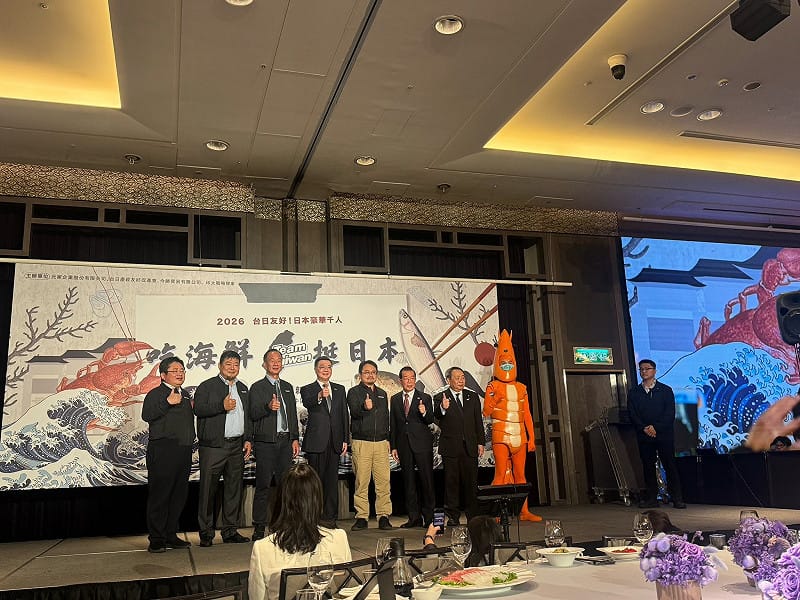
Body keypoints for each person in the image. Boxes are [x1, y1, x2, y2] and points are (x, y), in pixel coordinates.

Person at [248, 463, 352, 600]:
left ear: (281, 500)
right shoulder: (338, 538)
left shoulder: (263, 549)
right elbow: (347, 593)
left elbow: (256, 596)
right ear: (317, 499)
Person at [193, 350, 253, 546]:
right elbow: (198, 409)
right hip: (214, 447)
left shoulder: (243, 388)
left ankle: (230, 531)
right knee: (208, 490)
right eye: (228, 364)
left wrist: (247, 439)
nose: (232, 368)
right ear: (220, 366)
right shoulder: (207, 386)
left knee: (233, 489)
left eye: (236, 364)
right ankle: (206, 533)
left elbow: (247, 417)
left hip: (237, 446)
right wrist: (221, 405)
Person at [141, 356, 194, 553]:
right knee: (160, 495)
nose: (180, 373)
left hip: (183, 450)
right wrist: (167, 402)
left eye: (182, 370)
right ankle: (156, 538)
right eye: (175, 370)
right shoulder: (155, 394)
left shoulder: (185, 394)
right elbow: (147, 415)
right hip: (163, 450)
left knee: (178, 495)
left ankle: (171, 534)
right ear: (163, 375)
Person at [249, 348, 300, 541]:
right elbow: (252, 413)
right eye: (272, 359)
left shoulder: (287, 387)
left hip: (285, 442)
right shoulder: (257, 387)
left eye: (279, 359)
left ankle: (284, 524)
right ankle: (259, 527)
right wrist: (267, 407)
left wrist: (294, 437)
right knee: (263, 485)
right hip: (265, 443)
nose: (276, 362)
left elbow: (292, 414)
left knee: (285, 486)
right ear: (264, 364)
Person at [627, 359, 685, 509]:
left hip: (664, 435)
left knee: (669, 465)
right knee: (648, 466)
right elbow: (632, 414)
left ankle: (677, 498)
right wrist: (644, 428)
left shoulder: (665, 390)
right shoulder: (634, 392)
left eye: (647, 369)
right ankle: (652, 498)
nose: (643, 371)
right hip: (644, 435)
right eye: (641, 369)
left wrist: (655, 428)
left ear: (654, 371)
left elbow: (669, 414)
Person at [300, 356, 350, 528]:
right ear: (316, 369)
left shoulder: (339, 389)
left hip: (335, 441)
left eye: (329, 366)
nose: (326, 369)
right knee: (316, 482)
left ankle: (330, 518)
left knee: (331, 481)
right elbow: (308, 403)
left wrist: (345, 439)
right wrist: (320, 395)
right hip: (317, 442)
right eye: (322, 367)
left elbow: (344, 414)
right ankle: (315, 517)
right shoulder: (308, 389)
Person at [433, 366, 485, 525]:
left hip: (470, 446)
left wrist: (481, 442)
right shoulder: (440, 397)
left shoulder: (472, 396)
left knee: (471, 483)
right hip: (451, 447)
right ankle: (452, 516)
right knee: (451, 483)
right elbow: (436, 417)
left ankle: (473, 516)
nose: (461, 380)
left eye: (463, 377)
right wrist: (443, 408)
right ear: (448, 380)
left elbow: (478, 421)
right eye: (457, 378)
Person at [347, 359, 392, 531]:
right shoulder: (353, 392)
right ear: (360, 375)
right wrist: (365, 407)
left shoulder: (382, 393)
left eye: (373, 372)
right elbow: (354, 413)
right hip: (361, 442)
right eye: (366, 372)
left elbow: (385, 418)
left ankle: (384, 516)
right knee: (361, 482)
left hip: (381, 443)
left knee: (383, 482)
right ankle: (361, 517)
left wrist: (388, 439)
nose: (370, 375)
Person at [390, 366, 435, 529]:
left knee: (426, 481)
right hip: (404, 445)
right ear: (400, 380)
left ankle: (429, 518)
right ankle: (413, 517)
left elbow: (430, 419)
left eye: (412, 378)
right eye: (406, 378)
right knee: (408, 482)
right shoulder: (395, 399)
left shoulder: (425, 397)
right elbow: (394, 424)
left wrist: (424, 412)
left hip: (422, 444)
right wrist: (394, 446)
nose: (409, 381)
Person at [420, 515, 501, 567]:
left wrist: (429, 536)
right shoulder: (501, 559)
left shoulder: (465, 562)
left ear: (469, 538)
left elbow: (432, 563)